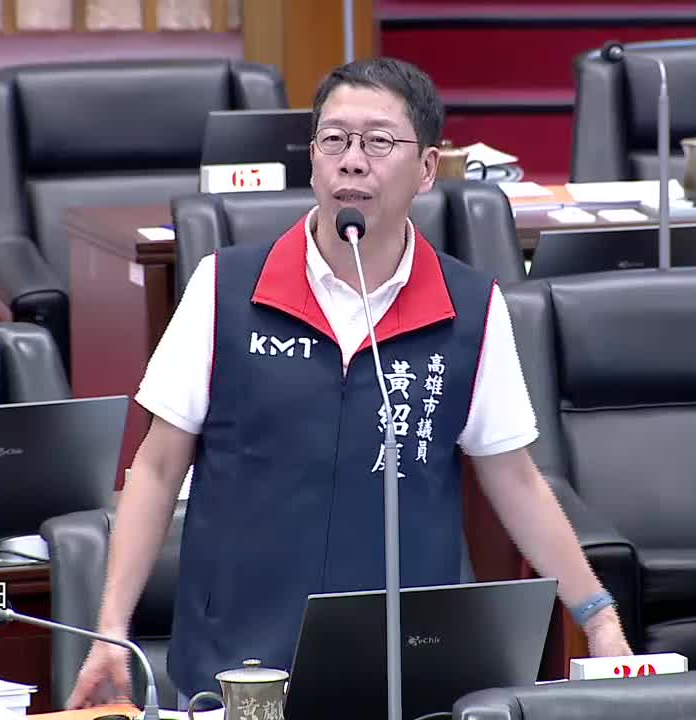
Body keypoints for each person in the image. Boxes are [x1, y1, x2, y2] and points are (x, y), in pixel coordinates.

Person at [66, 56, 632, 710]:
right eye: (334, 140)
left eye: (379, 142)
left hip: (402, 663)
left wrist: (597, 616)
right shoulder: (224, 288)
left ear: (427, 168)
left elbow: (514, 477)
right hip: (242, 663)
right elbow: (157, 467)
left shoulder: (471, 309)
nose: (352, 162)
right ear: (312, 160)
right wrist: (111, 628)